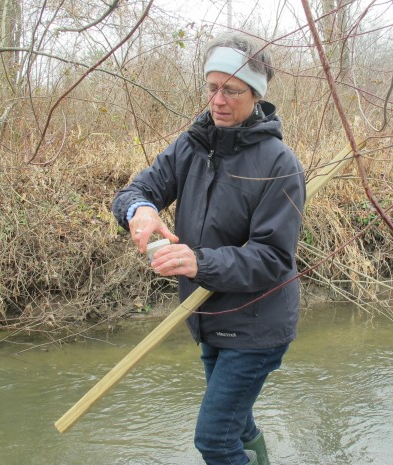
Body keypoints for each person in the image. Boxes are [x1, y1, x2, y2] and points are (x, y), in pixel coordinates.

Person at [112, 31, 306, 465]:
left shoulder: (280, 164)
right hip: (206, 316)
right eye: (212, 87)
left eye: (231, 90)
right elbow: (137, 189)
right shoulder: (191, 145)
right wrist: (138, 210)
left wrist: (197, 261)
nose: (217, 100)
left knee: (215, 440)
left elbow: (273, 259)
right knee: (237, 426)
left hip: (257, 325)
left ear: (255, 94)